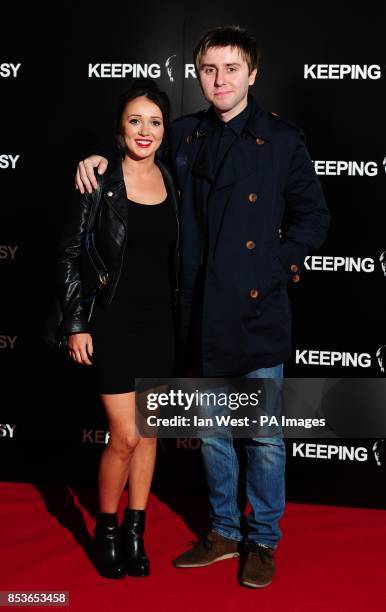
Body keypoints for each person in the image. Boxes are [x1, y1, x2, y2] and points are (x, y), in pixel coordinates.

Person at [74, 26, 330, 588]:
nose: (219, 80)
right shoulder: (185, 136)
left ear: (252, 74)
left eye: (231, 69)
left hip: (259, 311)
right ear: (198, 75)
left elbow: (315, 217)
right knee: (213, 431)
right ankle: (222, 532)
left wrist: (273, 266)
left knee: (261, 436)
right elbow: (135, 153)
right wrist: (95, 158)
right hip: (199, 315)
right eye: (209, 70)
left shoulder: (284, 140)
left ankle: (261, 538)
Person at [57, 79, 179, 579]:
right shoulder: (99, 182)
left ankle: (135, 529)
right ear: (120, 128)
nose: (144, 131)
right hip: (110, 322)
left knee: (148, 435)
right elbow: (69, 253)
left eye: (154, 121)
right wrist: (76, 323)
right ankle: (106, 528)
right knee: (125, 436)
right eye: (135, 121)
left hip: (160, 325)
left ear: (165, 129)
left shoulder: (174, 179)